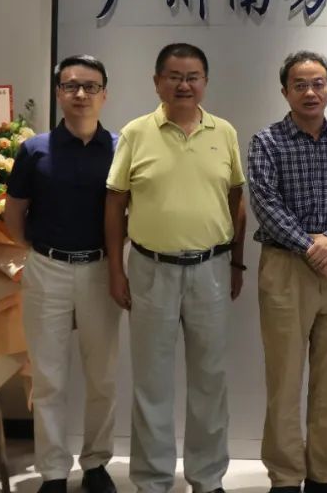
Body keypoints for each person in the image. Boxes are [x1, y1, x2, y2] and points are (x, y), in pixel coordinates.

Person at [105, 43, 247, 493]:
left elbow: (236, 199)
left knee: (210, 380)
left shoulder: (224, 131)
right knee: (151, 383)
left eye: (192, 77)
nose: (184, 85)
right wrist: (116, 270)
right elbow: (115, 203)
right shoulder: (135, 133)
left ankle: (208, 477)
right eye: (174, 76)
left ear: (205, 82)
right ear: (157, 82)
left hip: (212, 268)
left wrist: (237, 262)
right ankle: (152, 480)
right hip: (150, 269)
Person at [247, 51, 327, 493]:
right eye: (300, 84)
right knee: (284, 379)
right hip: (286, 266)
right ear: (285, 91)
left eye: (318, 83)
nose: (310, 92)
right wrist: (311, 247)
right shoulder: (267, 142)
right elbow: (265, 203)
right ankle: (285, 478)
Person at [4, 55, 119, 493]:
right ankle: (53, 471)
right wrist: (37, 251)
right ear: (58, 94)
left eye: (90, 86)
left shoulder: (121, 147)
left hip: (102, 269)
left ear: (105, 94)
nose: (81, 94)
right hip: (47, 268)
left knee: (102, 375)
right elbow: (14, 214)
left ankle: (96, 463)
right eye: (71, 86)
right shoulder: (36, 149)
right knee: (49, 376)